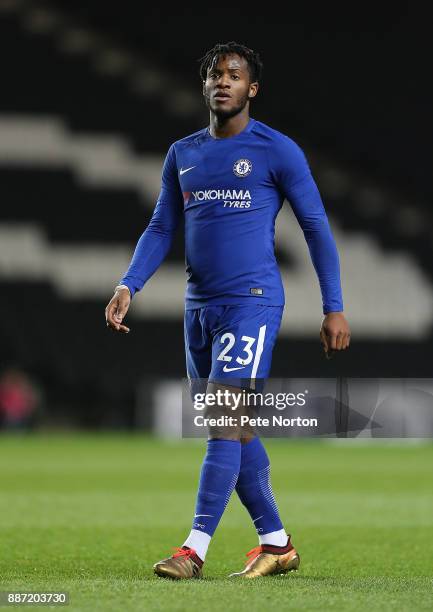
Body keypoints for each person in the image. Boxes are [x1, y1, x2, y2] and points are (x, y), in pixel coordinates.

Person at [105, 41, 351, 579]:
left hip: (252, 302)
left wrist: (334, 307)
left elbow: (316, 228)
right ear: (204, 87)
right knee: (236, 428)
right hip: (199, 308)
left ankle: (193, 551)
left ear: (251, 88)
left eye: (234, 76)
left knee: (222, 421)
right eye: (215, 75)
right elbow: (162, 226)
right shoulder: (183, 153)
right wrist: (130, 284)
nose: (223, 82)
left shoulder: (277, 150)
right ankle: (277, 543)